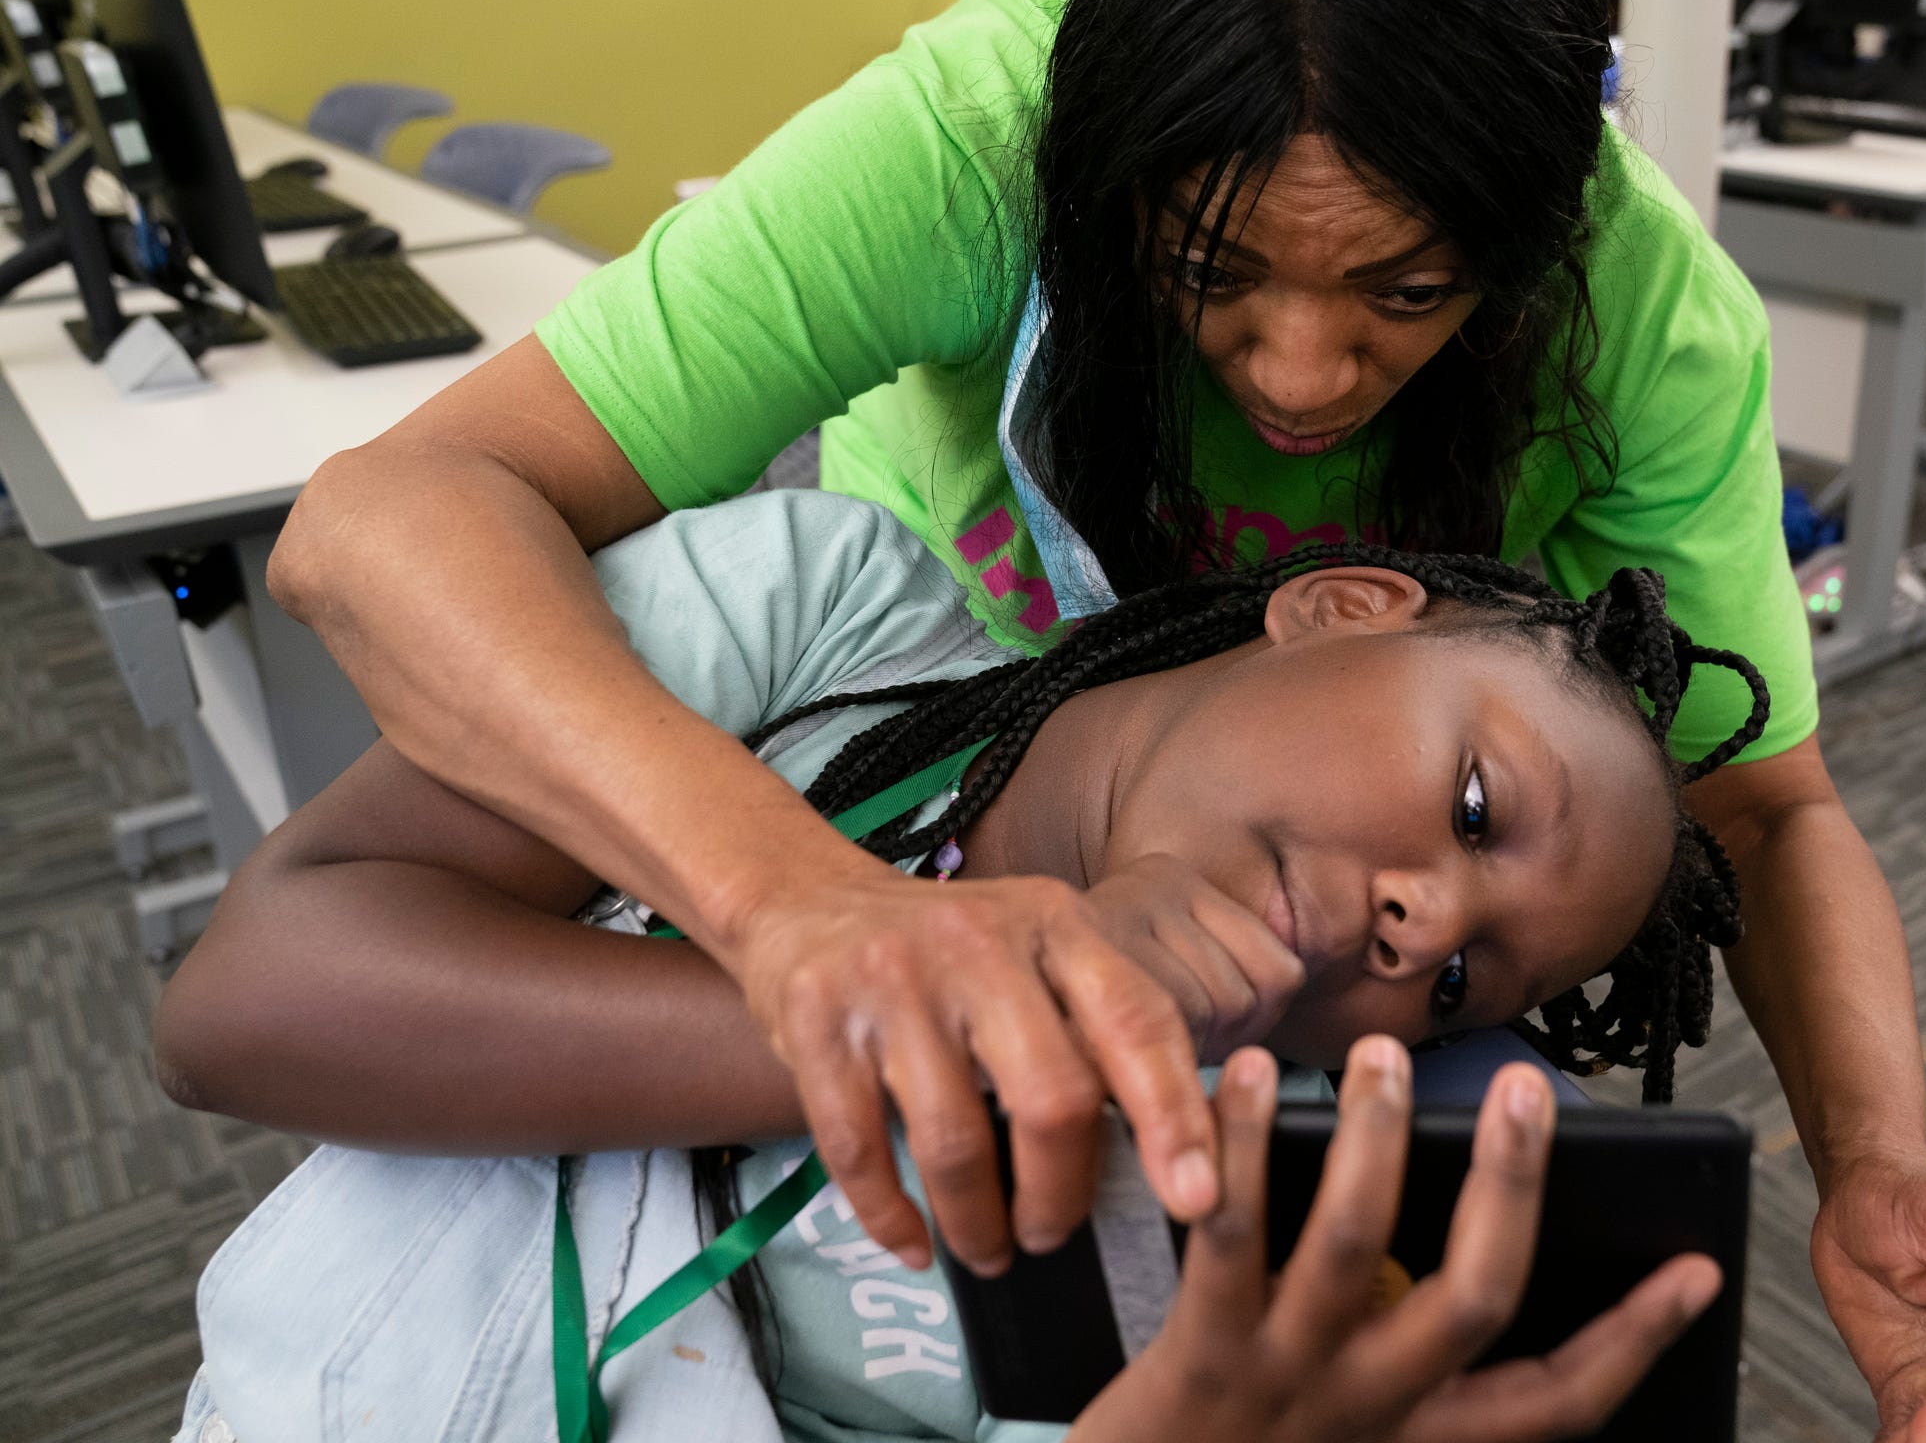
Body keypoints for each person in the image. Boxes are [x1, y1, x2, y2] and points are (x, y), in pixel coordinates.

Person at [262, 0, 1926, 1434]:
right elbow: (388, 524)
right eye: (1211, 272)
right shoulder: (979, 147)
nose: (1301, 377)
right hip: (948, 752)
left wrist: (1877, 1159)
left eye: (1408, 289)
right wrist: (798, 910)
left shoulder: (1645, 309)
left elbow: (1757, 811)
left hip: (1250, 948)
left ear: (1529, 246)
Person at [158, 488, 1754, 1440]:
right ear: (1342, 610)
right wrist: (923, 1003)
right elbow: (242, 1006)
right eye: (1475, 809)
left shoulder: (1231, 1188)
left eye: (1466, 985)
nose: (1424, 934)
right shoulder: (821, 620)